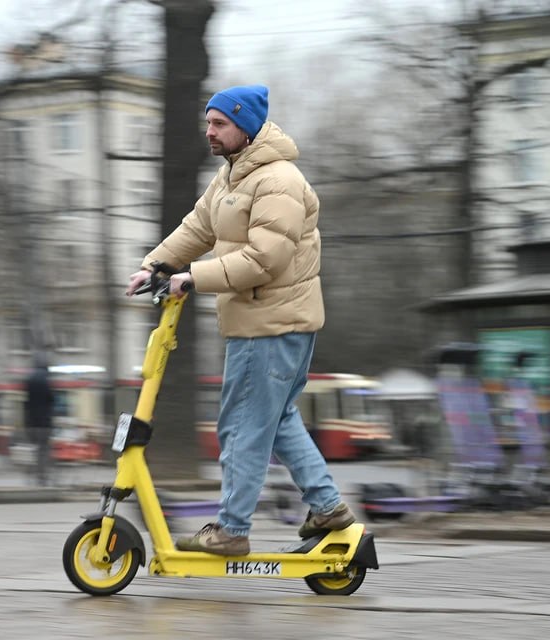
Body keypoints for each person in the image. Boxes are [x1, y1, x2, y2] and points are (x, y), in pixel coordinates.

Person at [125, 84, 355, 556]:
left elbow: (264, 259)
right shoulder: (232, 176)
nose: (209, 131)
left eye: (219, 124)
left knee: (241, 427)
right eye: (207, 122)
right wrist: (155, 265)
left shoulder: (279, 181)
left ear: (246, 127)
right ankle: (328, 506)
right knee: (276, 420)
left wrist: (193, 278)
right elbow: (198, 227)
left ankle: (231, 529)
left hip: (270, 321)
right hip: (262, 319)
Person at [24, 356, 55, 486]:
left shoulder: (29, 380)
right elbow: (51, 399)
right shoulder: (46, 380)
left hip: (32, 423)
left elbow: (26, 402)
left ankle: (34, 475)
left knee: (36, 450)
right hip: (44, 423)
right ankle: (42, 478)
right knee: (44, 451)